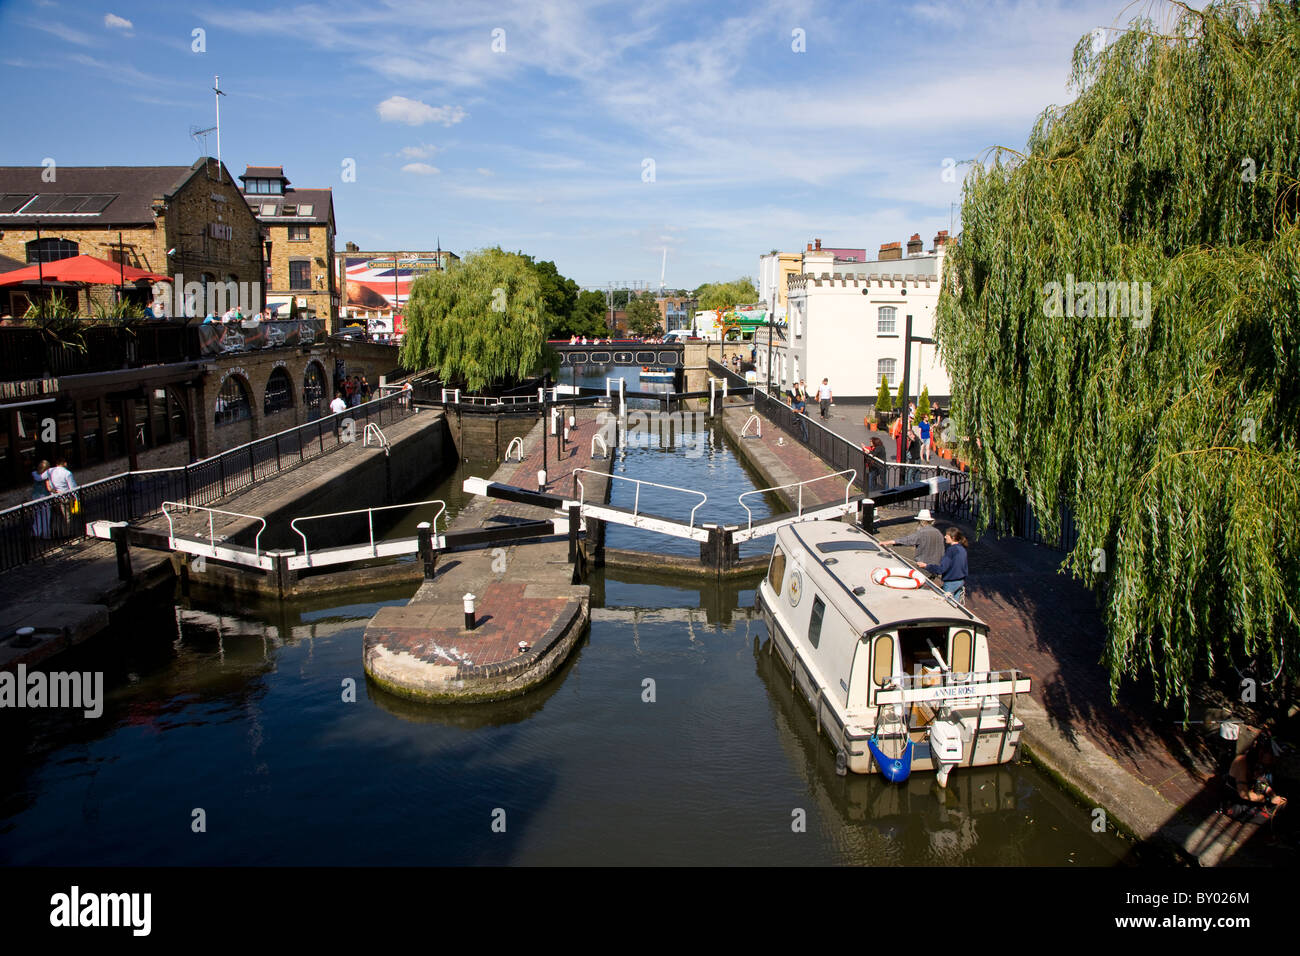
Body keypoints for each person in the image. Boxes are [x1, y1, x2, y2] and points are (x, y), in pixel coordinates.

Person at [1229, 731, 1287, 819]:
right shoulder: (1242, 761)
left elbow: (1260, 784)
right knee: (1269, 818)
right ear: (1261, 751)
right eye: (1271, 755)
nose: (1273, 760)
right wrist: (1266, 800)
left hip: (1249, 800)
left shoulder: (1258, 764)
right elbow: (1243, 794)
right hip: (1233, 803)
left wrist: (1273, 795)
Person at [918, 527, 968, 603]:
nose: (945, 537)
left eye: (947, 535)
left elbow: (942, 569)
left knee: (948, 604)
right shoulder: (962, 549)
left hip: (951, 582)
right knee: (956, 606)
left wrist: (926, 566)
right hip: (960, 581)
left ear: (953, 537)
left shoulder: (951, 550)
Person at [47, 457, 78, 539]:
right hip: (65, 496)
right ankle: (66, 533)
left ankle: (55, 532)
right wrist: (76, 498)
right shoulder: (67, 473)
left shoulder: (50, 471)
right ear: (65, 463)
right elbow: (72, 487)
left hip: (54, 496)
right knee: (67, 516)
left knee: (57, 516)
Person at [30, 459, 52, 539]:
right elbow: (48, 487)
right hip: (44, 496)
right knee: (46, 516)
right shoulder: (46, 475)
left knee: (37, 516)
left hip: (35, 496)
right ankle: (46, 534)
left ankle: (36, 532)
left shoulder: (34, 474)